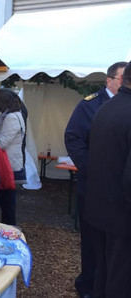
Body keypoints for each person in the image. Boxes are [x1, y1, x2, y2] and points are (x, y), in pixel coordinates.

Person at [64, 61, 128, 298]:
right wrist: (92, 169)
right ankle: (89, 285)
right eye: (121, 78)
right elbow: (73, 138)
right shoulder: (90, 105)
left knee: (116, 246)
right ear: (110, 80)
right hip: (93, 186)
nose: (124, 83)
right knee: (93, 241)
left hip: (118, 190)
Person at [83, 61, 131, 297]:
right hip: (122, 216)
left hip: (102, 210)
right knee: (120, 282)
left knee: (103, 276)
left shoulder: (107, 108)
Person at [0, 89, 26, 225]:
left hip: (8, 166)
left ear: (3, 100)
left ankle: (9, 229)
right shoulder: (6, 115)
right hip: (6, 164)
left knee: (7, 203)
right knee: (6, 201)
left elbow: (2, 143)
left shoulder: (11, 117)